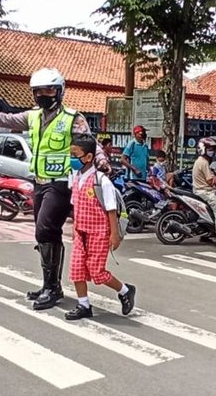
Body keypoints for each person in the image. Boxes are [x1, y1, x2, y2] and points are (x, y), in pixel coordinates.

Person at [0, 67, 109, 311]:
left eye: (48, 90)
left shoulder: (72, 118)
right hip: (40, 182)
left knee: (45, 229)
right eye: (38, 91)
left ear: (59, 92)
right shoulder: (32, 116)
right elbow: (3, 119)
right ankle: (51, 285)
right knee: (46, 232)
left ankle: (52, 288)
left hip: (61, 183)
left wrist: (101, 160)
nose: (43, 95)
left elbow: (91, 142)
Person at [64, 134, 136, 320]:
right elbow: (75, 205)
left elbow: (111, 209)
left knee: (97, 272)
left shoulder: (101, 180)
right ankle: (83, 305)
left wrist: (114, 235)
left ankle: (125, 290)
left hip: (98, 233)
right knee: (77, 269)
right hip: (81, 232)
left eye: (75, 154)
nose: (72, 158)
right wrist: (74, 227)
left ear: (88, 157)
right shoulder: (76, 177)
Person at [192, 138, 216, 244]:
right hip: (205, 192)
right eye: (210, 149)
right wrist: (214, 179)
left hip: (200, 190)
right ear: (203, 149)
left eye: (212, 149)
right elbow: (210, 181)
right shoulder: (203, 162)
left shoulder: (201, 161)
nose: (211, 151)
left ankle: (208, 233)